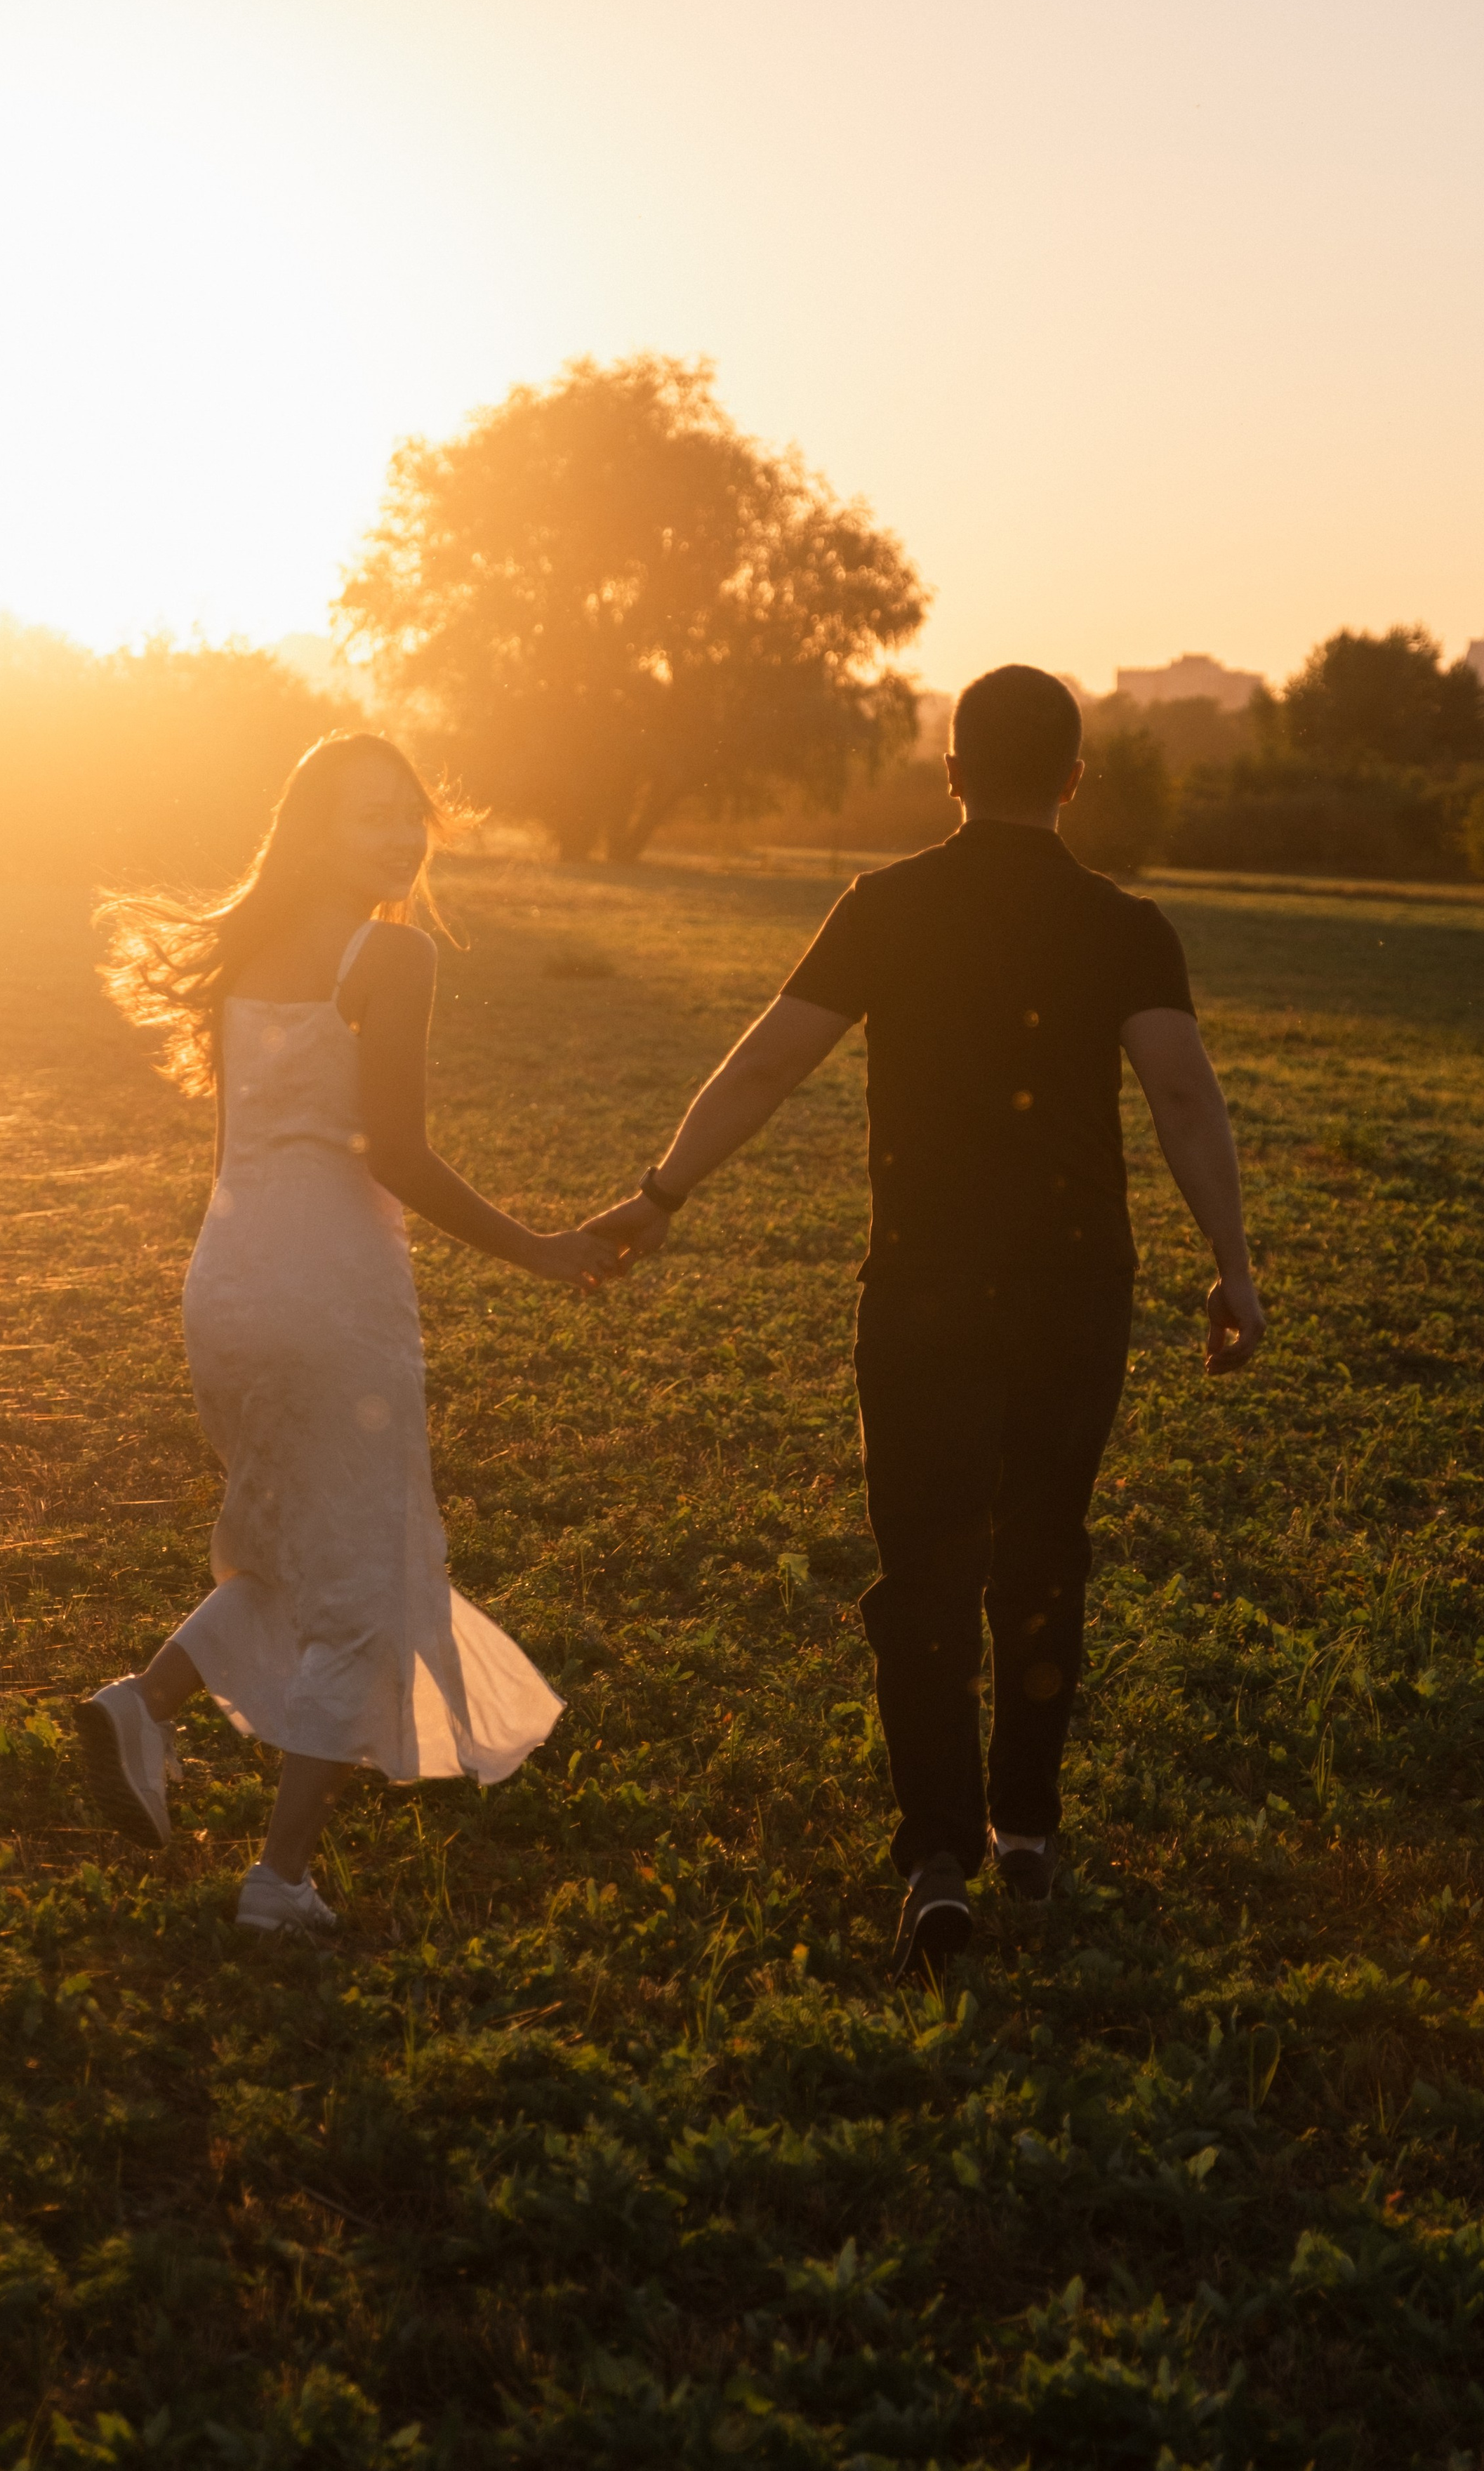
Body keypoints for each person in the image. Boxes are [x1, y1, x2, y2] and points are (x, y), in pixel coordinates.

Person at [584, 665, 1264, 1982]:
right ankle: (1028, 1829)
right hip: (1079, 1287)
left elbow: (770, 1061)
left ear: (951, 774)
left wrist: (663, 1193)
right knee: (1045, 1547)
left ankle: (938, 1854)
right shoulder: (1126, 923)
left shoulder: (886, 905)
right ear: (1075, 780)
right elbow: (1183, 1096)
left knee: (926, 1567)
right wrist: (1234, 1266)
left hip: (925, 1286)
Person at [81, 732, 613, 1935]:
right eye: (368, 816)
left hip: (228, 1284)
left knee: (284, 1545)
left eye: (407, 813)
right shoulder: (395, 952)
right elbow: (399, 1154)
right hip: (327, 1297)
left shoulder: (246, 951)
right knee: (361, 1582)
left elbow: (236, 1154)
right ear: (312, 829)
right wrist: (543, 1248)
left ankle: (143, 1705)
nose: (397, 836)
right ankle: (279, 1883)